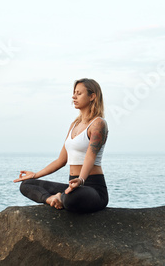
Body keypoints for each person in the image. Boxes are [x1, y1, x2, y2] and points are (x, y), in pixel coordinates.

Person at [13, 78, 109, 213]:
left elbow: (90, 157)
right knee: (26, 185)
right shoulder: (74, 125)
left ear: (92, 96)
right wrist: (35, 175)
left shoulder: (98, 124)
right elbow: (61, 160)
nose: (73, 96)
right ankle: (52, 199)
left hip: (93, 189)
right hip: (73, 186)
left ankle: (62, 198)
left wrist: (81, 180)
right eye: (74, 92)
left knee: (71, 199)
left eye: (79, 93)